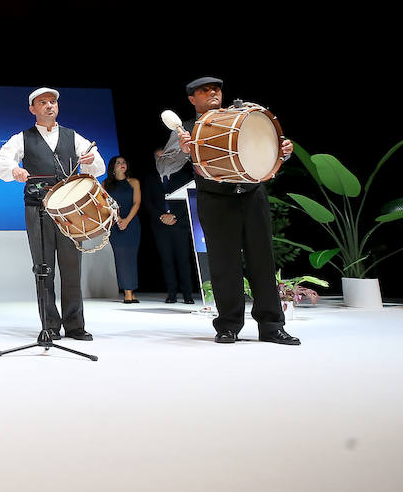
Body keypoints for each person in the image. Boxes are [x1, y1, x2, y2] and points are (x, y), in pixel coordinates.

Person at [157, 77, 299, 345]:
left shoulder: (243, 116)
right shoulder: (187, 129)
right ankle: (228, 325)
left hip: (252, 194)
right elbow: (163, 168)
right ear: (192, 99)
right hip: (215, 199)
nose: (212, 93)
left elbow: (261, 149)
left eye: (216, 89)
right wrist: (184, 151)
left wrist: (283, 151)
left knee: (263, 262)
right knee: (224, 264)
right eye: (204, 90)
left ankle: (271, 326)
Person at [0, 87, 104, 341]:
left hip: (69, 211)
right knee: (43, 267)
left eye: (53, 101)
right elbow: (0, 163)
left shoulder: (72, 136)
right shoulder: (22, 137)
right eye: (43, 102)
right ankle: (50, 325)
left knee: (72, 266)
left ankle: (75, 325)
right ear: (33, 109)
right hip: (37, 208)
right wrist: (14, 171)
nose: (49, 106)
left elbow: (98, 165)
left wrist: (89, 160)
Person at [146, 149, 196, 304]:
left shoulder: (182, 176)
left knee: (183, 260)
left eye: (165, 157)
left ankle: (188, 295)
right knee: (166, 260)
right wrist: (161, 216)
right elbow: (148, 202)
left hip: (179, 224)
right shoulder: (150, 178)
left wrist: (174, 215)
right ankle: (172, 294)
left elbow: (187, 198)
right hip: (160, 226)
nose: (162, 160)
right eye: (158, 158)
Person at [103, 155, 142, 303]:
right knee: (121, 258)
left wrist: (126, 220)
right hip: (115, 223)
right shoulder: (106, 184)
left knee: (131, 257)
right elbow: (104, 205)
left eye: (124, 162)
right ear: (113, 167)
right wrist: (118, 218)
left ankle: (131, 290)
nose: (122, 164)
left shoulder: (133, 182)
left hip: (131, 223)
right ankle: (127, 292)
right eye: (118, 163)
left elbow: (137, 203)